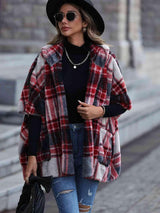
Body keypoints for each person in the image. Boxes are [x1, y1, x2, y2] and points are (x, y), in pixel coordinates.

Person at [18, 0, 132, 212]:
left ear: (85, 21)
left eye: (70, 16)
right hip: (57, 145)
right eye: (59, 17)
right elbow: (33, 109)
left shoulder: (104, 58)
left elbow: (123, 102)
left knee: (83, 210)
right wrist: (31, 155)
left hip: (93, 146)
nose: (63, 21)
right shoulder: (47, 57)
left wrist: (100, 111)